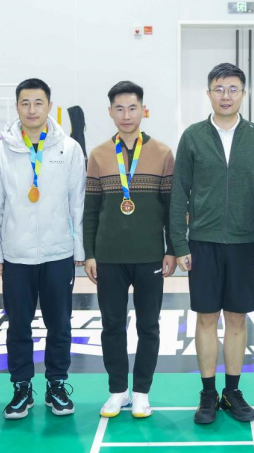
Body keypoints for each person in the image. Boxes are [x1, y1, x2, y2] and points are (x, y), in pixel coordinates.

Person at [170, 63, 254, 425]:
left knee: (236, 319)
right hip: (203, 242)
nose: (226, 96)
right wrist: (180, 244)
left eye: (233, 89)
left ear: (244, 93)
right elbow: (179, 193)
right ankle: (208, 393)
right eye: (219, 89)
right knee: (205, 318)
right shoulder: (193, 136)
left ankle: (232, 391)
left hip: (246, 243)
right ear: (208, 93)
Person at [0, 78, 86, 420]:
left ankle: (57, 384)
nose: (32, 109)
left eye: (38, 102)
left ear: (49, 106)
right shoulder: (0, 152)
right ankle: (21, 387)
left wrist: (79, 250)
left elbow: (78, 204)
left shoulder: (69, 149)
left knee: (60, 324)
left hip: (58, 253)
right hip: (16, 255)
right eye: (25, 103)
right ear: (17, 107)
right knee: (18, 326)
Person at [84, 81, 176, 420]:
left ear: (143, 110)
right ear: (110, 112)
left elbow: (171, 208)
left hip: (150, 255)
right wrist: (90, 253)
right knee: (111, 326)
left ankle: (141, 392)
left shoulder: (163, 153)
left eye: (132, 108)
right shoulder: (98, 155)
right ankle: (117, 390)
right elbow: (90, 210)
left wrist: (171, 249)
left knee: (149, 326)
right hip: (108, 257)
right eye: (119, 109)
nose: (126, 115)